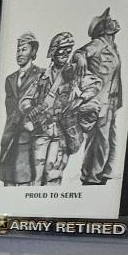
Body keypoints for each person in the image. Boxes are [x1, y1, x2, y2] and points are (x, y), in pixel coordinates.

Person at [73, 7, 124, 185]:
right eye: (109, 19)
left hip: (112, 101)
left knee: (110, 139)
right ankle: (90, 178)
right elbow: (79, 53)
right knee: (98, 141)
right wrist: (80, 58)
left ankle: (103, 174)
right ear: (103, 28)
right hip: (99, 102)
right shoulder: (98, 43)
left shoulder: (112, 46)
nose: (114, 21)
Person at [0, 33, 47, 184]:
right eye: (18, 50)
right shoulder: (10, 79)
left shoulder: (42, 75)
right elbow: (10, 108)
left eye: (24, 49)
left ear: (33, 52)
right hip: (10, 134)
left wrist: (33, 125)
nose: (19, 53)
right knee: (8, 179)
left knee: (25, 178)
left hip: (29, 134)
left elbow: (44, 104)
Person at [35, 33, 80, 184]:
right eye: (62, 49)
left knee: (53, 174)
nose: (65, 53)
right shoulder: (42, 76)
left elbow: (93, 86)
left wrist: (76, 103)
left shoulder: (74, 73)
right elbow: (31, 99)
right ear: (53, 51)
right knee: (35, 174)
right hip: (42, 128)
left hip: (62, 130)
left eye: (69, 50)